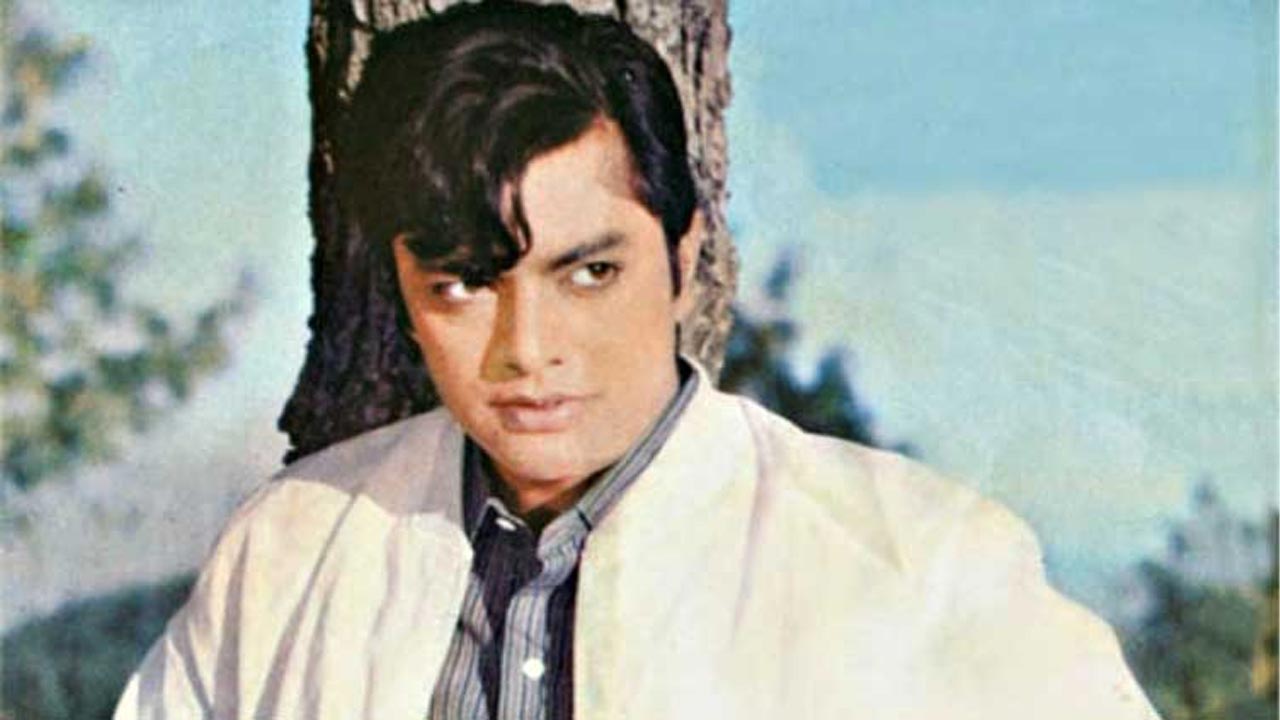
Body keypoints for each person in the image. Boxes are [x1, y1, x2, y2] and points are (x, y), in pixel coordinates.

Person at [115, 2, 1159, 718]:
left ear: (684, 257)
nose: (528, 351)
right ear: (400, 282)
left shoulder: (917, 563)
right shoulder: (291, 551)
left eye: (588, 273)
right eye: (464, 284)